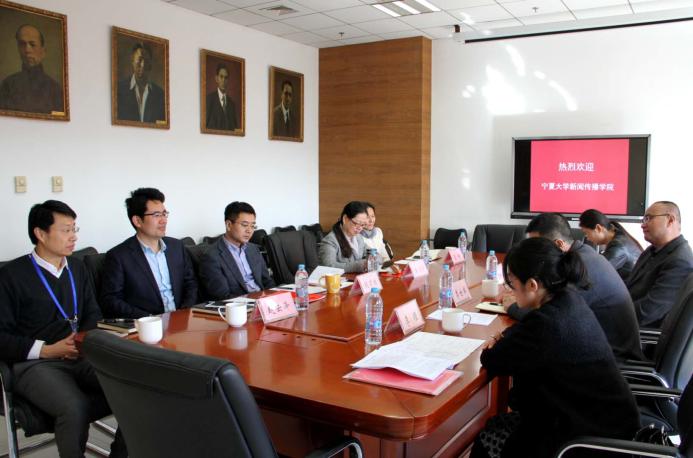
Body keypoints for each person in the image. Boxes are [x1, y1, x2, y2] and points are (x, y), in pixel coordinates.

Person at [470, 237, 640, 458]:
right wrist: (506, 339)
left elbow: (492, 359)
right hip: (607, 423)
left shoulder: (547, 324)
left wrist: (498, 343)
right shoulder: (568, 299)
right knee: (497, 424)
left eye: (512, 282)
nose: (509, 289)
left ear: (532, 285)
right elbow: (522, 335)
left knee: (487, 439)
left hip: (586, 440)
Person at [0, 201, 126, 457]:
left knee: (133, 388)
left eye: (74, 229)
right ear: (40, 233)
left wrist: (81, 341)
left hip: (80, 354)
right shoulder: (11, 276)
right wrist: (47, 350)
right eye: (66, 230)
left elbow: (92, 314)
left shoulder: (77, 268)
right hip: (36, 363)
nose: (74, 237)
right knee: (74, 407)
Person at [514, 212, 644, 361]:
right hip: (598, 344)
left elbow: (551, 318)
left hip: (612, 358)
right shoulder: (583, 253)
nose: (534, 255)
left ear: (559, 244)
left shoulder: (580, 269)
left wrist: (514, 307)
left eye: (538, 248)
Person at [100, 187, 197, 318]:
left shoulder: (176, 247)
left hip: (182, 319)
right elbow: (111, 300)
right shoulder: (119, 256)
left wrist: (184, 312)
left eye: (164, 214)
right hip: (146, 324)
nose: (164, 220)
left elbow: (190, 283)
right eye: (156, 215)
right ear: (137, 221)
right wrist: (149, 319)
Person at [626, 201, 693, 327]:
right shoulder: (651, 250)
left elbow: (648, 311)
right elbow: (629, 287)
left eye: (649, 218)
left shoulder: (680, 261)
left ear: (670, 220)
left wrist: (610, 314)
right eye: (644, 219)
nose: (643, 225)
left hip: (641, 332)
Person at [199, 201, 274, 300]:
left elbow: (267, 281)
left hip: (264, 302)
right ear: (229, 225)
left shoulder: (253, 249)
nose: (249, 230)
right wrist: (254, 303)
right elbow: (223, 296)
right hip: (240, 305)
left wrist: (275, 298)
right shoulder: (211, 256)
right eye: (244, 225)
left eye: (252, 226)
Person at [0, 24, 63, 113]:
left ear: (43, 51)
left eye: (32, 44)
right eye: (22, 44)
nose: (27, 50)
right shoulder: (8, 85)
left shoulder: (55, 89)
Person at [579, 208, 643, 279]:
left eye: (587, 233)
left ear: (598, 228)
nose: (587, 238)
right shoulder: (619, 238)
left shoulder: (618, 246)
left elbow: (597, 271)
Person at [116, 42, 165, 123]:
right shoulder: (119, 89)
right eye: (140, 59)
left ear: (150, 65)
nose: (143, 64)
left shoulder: (160, 95)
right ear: (132, 61)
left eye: (147, 60)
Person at [319, 201, 368, 273]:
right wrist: (357, 266)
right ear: (345, 219)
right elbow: (328, 266)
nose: (360, 228)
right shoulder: (330, 241)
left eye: (363, 224)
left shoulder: (358, 237)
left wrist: (374, 258)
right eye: (357, 223)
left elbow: (370, 252)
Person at [205, 62, 237, 131]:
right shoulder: (209, 100)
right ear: (216, 78)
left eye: (226, 77)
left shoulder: (232, 104)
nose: (223, 80)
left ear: (228, 80)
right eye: (221, 77)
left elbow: (235, 130)